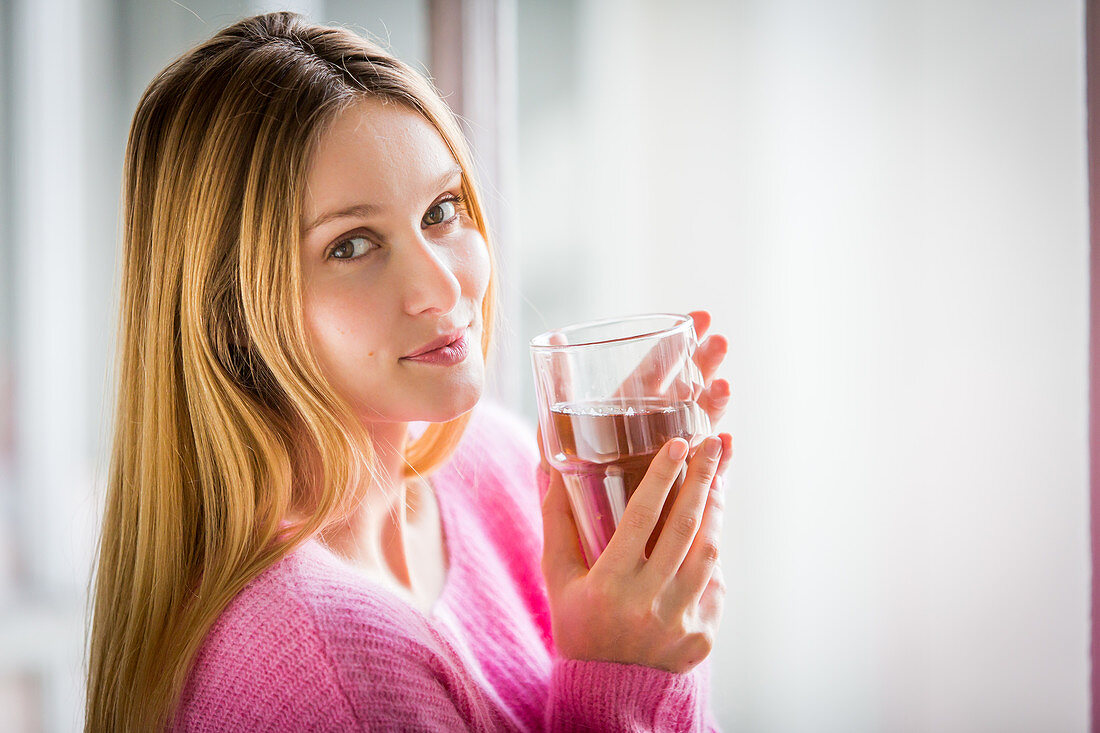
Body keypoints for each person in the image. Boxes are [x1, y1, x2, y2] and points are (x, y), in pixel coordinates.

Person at [84, 11, 734, 732]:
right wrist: (626, 671)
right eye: (353, 245)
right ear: (228, 310)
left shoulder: (499, 463)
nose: (444, 287)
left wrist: (644, 584)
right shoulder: (320, 665)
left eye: (441, 210)